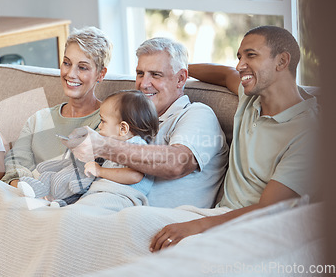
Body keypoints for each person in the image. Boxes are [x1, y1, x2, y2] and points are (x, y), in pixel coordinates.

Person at [149, 25, 319, 251]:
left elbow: (269, 209)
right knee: (133, 225)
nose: (240, 65)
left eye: (251, 56)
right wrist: (174, 70)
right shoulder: (250, 98)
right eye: (239, 57)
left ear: (282, 61)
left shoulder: (308, 134)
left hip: (256, 231)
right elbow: (223, 73)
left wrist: (197, 226)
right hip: (217, 217)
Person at [64, 37, 229, 209]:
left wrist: (103, 146)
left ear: (181, 79)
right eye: (140, 74)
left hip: (161, 222)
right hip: (111, 209)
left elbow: (177, 163)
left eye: (156, 75)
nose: (143, 84)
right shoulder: (129, 120)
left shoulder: (196, 114)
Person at [2, 26, 113, 187]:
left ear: (101, 74)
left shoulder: (107, 123)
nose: (70, 74)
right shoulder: (37, 120)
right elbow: (15, 167)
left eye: (82, 67)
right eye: (67, 63)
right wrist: (26, 191)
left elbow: (84, 177)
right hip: (24, 197)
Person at [19, 90, 159, 206]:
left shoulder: (136, 145)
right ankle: (54, 200)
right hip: (102, 193)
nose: (99, 126)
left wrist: (100, 170)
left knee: (85, 209)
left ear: (123, 128)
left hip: (121, 197)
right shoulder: (115, 146)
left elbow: (135, 176)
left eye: (103, 121)